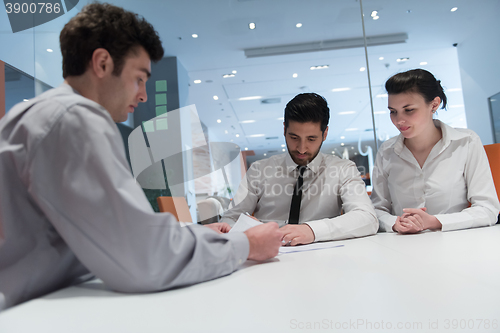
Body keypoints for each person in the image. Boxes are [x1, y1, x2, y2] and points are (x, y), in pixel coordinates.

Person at [0, 3, 282, 311]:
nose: (144, 94)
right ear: (103, 63)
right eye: (139, 78)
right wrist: (246, 245)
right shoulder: (74, 119)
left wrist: (194, 234)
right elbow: (144, 258)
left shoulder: (42, 116)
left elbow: (112, 232)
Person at [221, 93, 378, 245]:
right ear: (284, 130)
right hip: (267, 255)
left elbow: (367, 218)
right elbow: (229, 219)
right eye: (294, 138)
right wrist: (246, 227)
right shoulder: (258, 170)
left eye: (311, 139)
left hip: (324, 257)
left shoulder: (343, 169)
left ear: (325, 134)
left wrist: (311, 230)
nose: (302, 149)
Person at [371, 69, 500, 234]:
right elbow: (376, 209)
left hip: (457, 243)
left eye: (409, 110)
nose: (399, 120)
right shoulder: (387, 151)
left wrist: (434, 221)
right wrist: (395, 223)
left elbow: (487, 209)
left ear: (434, 104)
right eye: (393, 111)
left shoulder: (466, 142)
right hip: (403, 244)